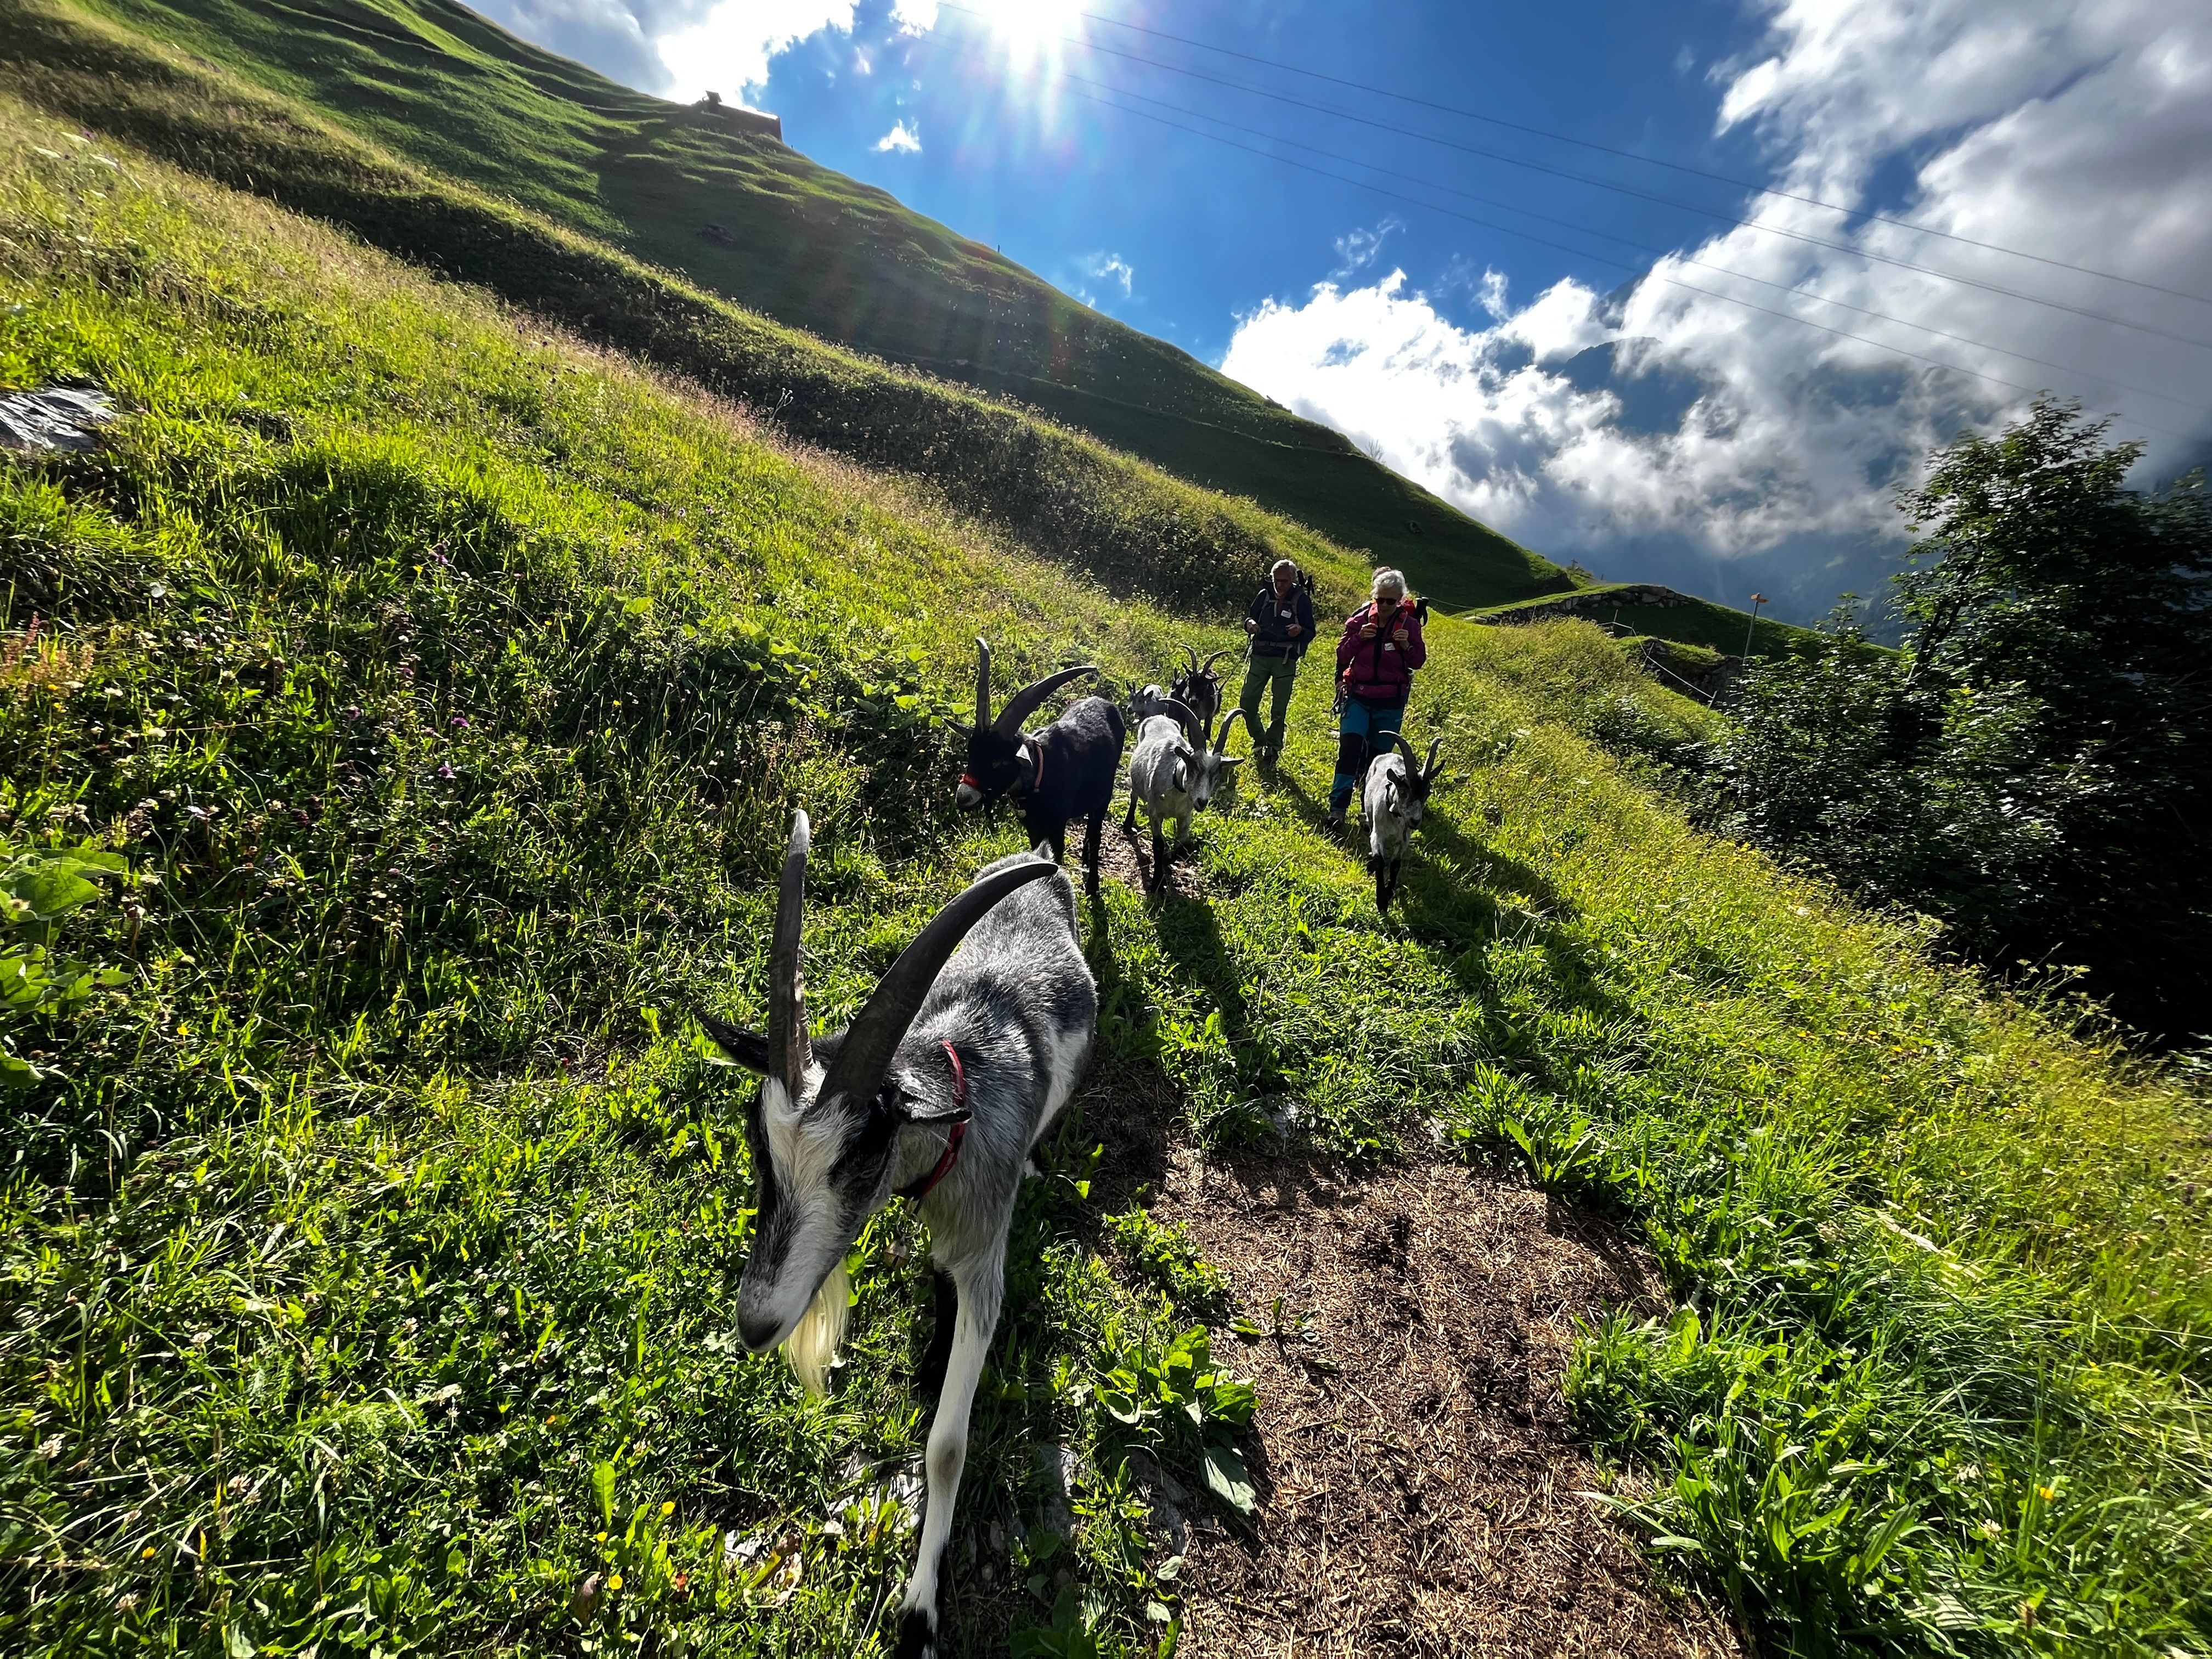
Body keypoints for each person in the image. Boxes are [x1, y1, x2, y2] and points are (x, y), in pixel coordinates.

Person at [1328, 567, 1426, 828]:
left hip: (1389, 703)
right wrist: (1359, 639)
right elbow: (1341, 654)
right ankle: (1337, 808)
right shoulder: (1360, 621)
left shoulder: (1410, 625)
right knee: (1349, 751)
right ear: (1374, 597)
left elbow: (1418, 661)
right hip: (1358, 695)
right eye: (1380, 600)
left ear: (1400, 600)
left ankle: (1366, 810)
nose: (1384, 606)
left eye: (1390, 601)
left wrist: (1407, 645)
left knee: (1377, 760)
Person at [1239, 558, 1315, 763]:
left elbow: (1311, 632)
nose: (1279, 585)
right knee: (1247, 702)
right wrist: (1250, 624)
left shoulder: (1301, 600)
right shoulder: (1264, 596)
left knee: (1278, 709)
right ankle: (1259, 738)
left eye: (1284, 581)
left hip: (1285, 659)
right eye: (1276, 580)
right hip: (1260, 656)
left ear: (1293, 579)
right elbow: (1248, 618)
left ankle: (1273, 748)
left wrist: (1300, 631)